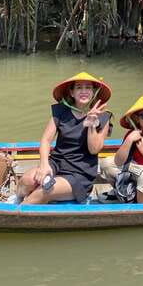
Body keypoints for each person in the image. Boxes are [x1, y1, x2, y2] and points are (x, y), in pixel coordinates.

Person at [16, 72, 112, 204]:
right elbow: (46, 140)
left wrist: (91, 123)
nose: (84, 91)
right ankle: (17, 202)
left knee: (45, 189)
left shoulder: (103, 117)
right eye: (79, 87)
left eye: (88, 88)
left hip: (80, 173)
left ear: (94, 92)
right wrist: (44, 164)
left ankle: (16, 216)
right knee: (26, 181)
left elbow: (94, 149)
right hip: (56, 163)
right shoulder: (61, 111)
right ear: (72, 93)